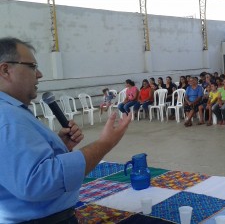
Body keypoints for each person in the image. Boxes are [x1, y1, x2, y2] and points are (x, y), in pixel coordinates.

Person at [0, 37, 131, 223]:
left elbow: (18, 167)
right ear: (5, 70)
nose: (39, 74)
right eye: (32, 66)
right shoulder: (6, 117)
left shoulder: (12, 112)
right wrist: (105, 143)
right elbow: (39, 183)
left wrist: (60, 145)